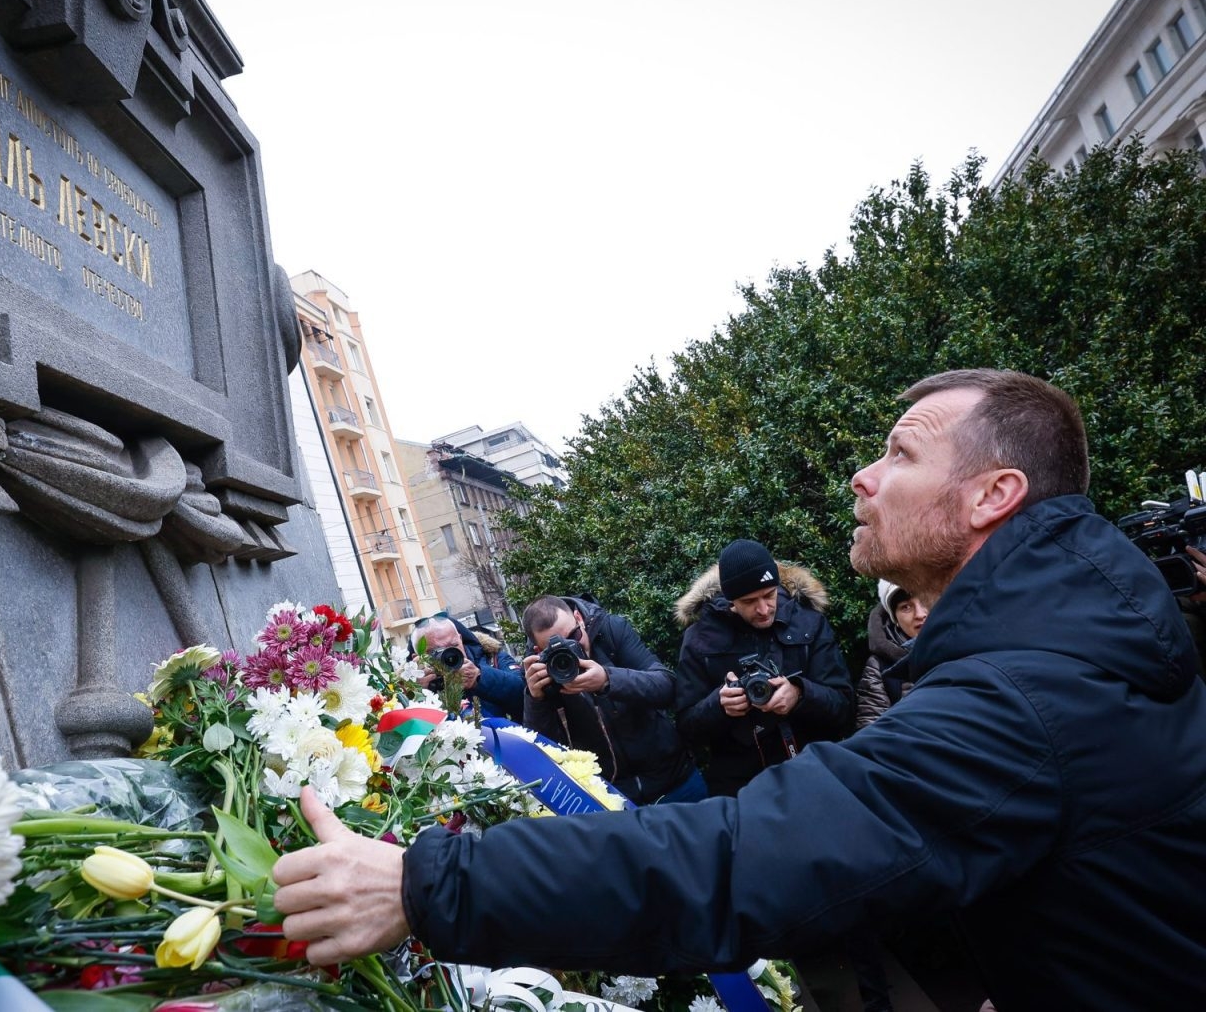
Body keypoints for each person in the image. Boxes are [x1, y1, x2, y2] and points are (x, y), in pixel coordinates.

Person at [270, 369, 1206, 1010]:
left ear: (992, 494)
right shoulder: (1066, 639)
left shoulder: (1027, 693)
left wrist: (430, 882)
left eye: (901, 454)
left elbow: (739, 857)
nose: (863, 476)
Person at [673, 540, 853, 795]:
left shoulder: (809, 624)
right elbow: (687, 729)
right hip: (739, 788)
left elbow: (845, 708)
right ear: (731, 599)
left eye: (769, 595)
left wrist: (800, 694)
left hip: (812, 772)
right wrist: (719, 706)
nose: (764, 609)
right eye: (749, 601)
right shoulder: (699, 639)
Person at [519, 594, 704, 805]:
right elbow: (544, 752)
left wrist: (608, 680)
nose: (572, 647)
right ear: (539, 651)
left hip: (675, 779)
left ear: (579, 618)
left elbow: (666, 686)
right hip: (613, 798)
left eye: (574, 635)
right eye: (559, 647)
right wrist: (536, 700)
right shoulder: (539, 670)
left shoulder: (610, 631)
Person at [410, 613, 523, 721]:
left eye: (453, 646)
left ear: (460, 639)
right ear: (417, 658)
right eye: (435, 652)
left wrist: (480, 677)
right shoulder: (412, 683)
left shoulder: (493, 658)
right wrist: (417, 693)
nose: (448, 655)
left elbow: (523, 693)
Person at [854, 580, 927, 730]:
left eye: (925, 600)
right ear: (895, 619)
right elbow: (871, 730)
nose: (920, 614)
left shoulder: (966, 648)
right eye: (906, 607)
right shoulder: (879, 666)